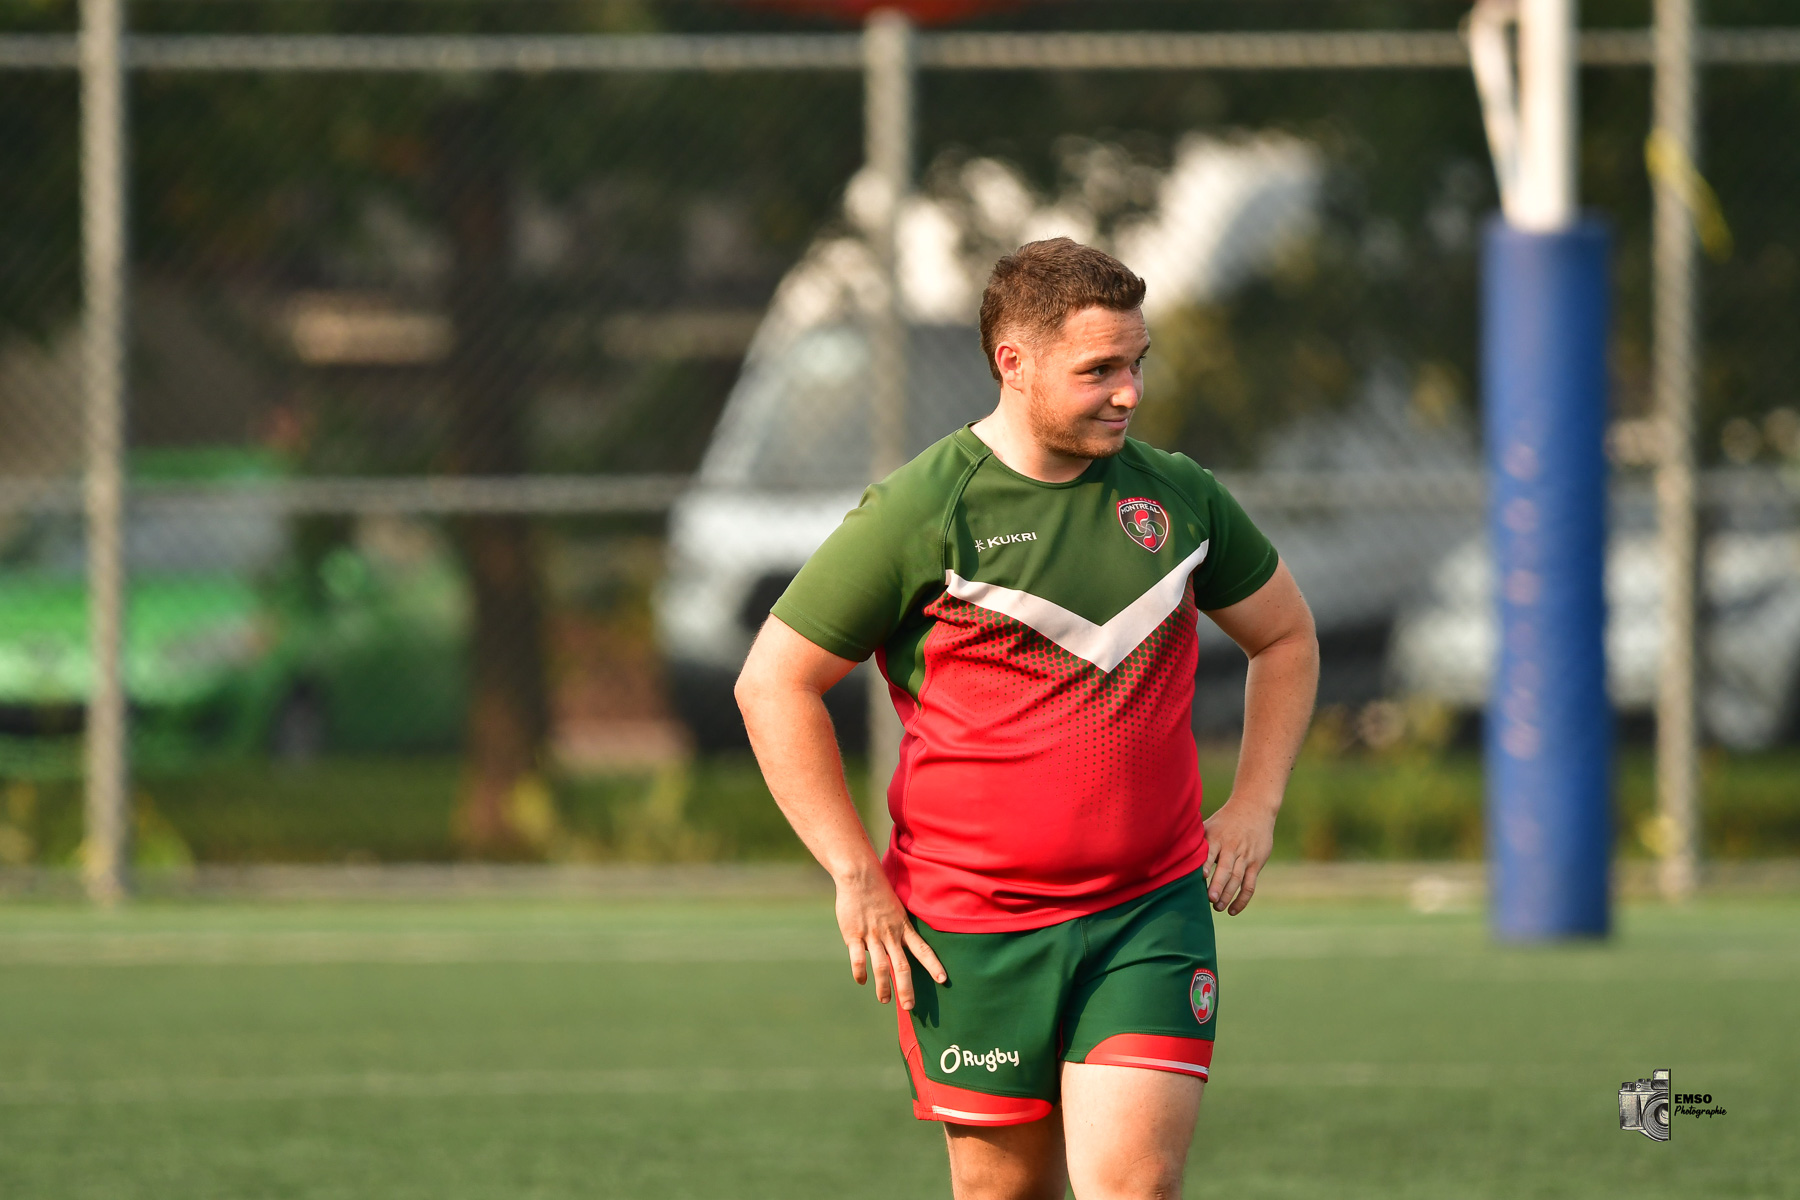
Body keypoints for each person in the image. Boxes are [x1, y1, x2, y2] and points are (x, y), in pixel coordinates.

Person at [734, 237, 1319, 1200]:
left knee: (1138, 1185)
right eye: (1100, 370)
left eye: (1137, 364)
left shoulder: (1178, 495)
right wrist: (853, 872)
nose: (1129, 392)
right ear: (1015, 362)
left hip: (1149, 909)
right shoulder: (924, 508)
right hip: (969, 927)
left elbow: (1286, 636)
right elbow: (774, 683)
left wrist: (1254, 803)